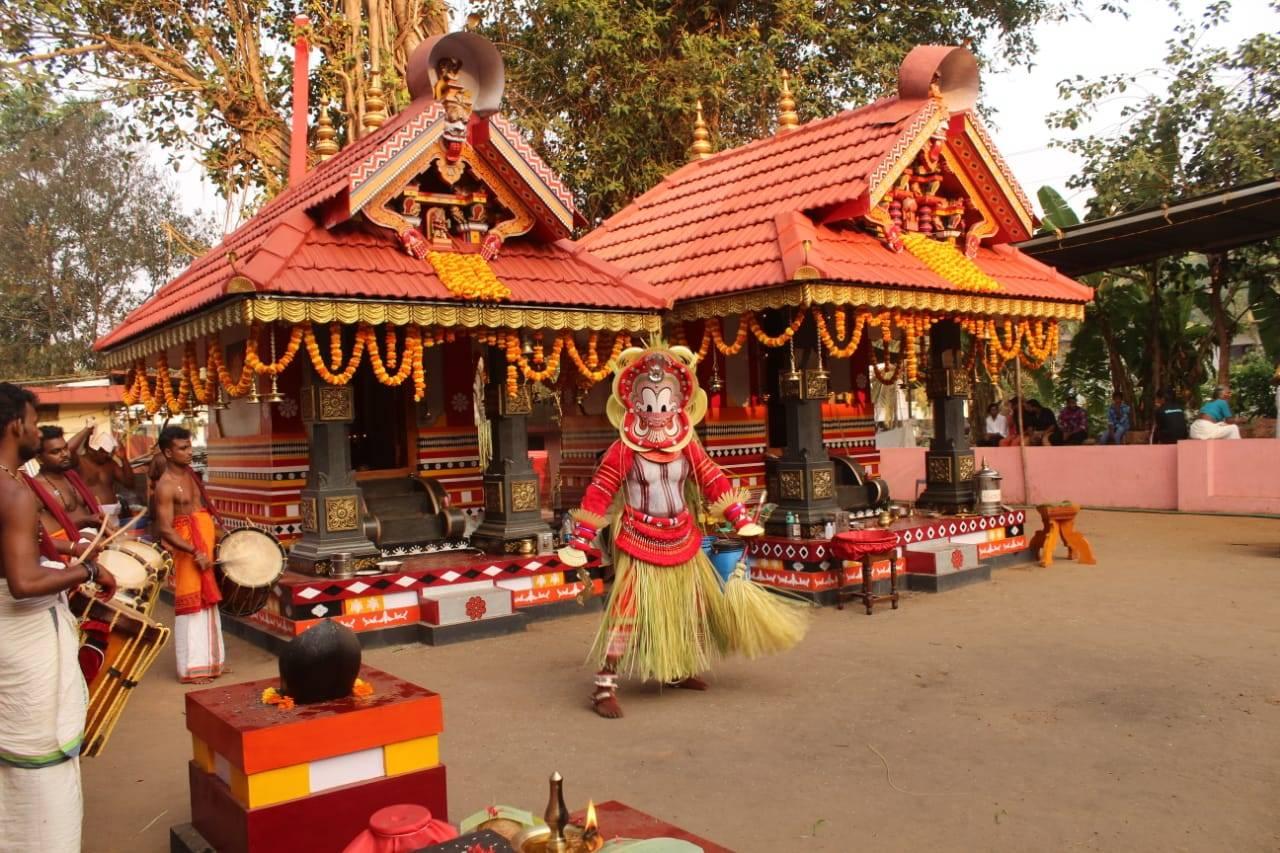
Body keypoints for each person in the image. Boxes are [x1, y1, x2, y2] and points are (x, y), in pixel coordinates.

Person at [558, 343, 807, 719]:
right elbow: (599, 493)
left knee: (690, 606)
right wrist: (579, 540)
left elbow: (711, 478)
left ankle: (677, 668)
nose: (657, 411)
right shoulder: (622, 449)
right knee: (627, 612)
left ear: (678, 402)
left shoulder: (687, 443)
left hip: (682, 536)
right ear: (633, 403)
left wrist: (739, 517)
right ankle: (603, 686)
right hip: (639, 539)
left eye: (664, 402)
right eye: (649, 402)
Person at [0, 383, 116, 852]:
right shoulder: (14, 490)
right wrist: (86, 568)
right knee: (40, 756)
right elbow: (23, 582)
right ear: (16, 426)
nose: (34, 429)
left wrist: (63, 549)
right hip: (23, 641)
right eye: (31, 421)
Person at [152, 426, 226, 683]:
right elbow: (164, 528)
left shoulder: (192, 475)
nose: (189, 452)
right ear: (168, 452)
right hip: (188, 552)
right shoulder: (166, 486)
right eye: (183, 448)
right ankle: (190, 669)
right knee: (191, 605)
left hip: (203, 547)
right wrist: (194, 551)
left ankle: (212, 662)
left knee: (208, 603)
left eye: (189, 446)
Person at [22, 426, 104, 563]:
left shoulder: (72, 476)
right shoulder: (35, 489)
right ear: (39, 458)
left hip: (96, 546)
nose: (65, 454)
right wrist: (82, 530)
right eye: (56, 452)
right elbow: (43, 537)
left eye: (65, 448)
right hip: (69, 558)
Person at [67, 422, 136, 526]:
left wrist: (124, 458)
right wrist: (86, 430)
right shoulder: (80, 462)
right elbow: (68, 450)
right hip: (92, 515)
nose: (106, 455)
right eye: (103, 452)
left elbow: (129, 483)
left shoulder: (110, 464)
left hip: (113, 515)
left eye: (108, 452)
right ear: (91, 449)